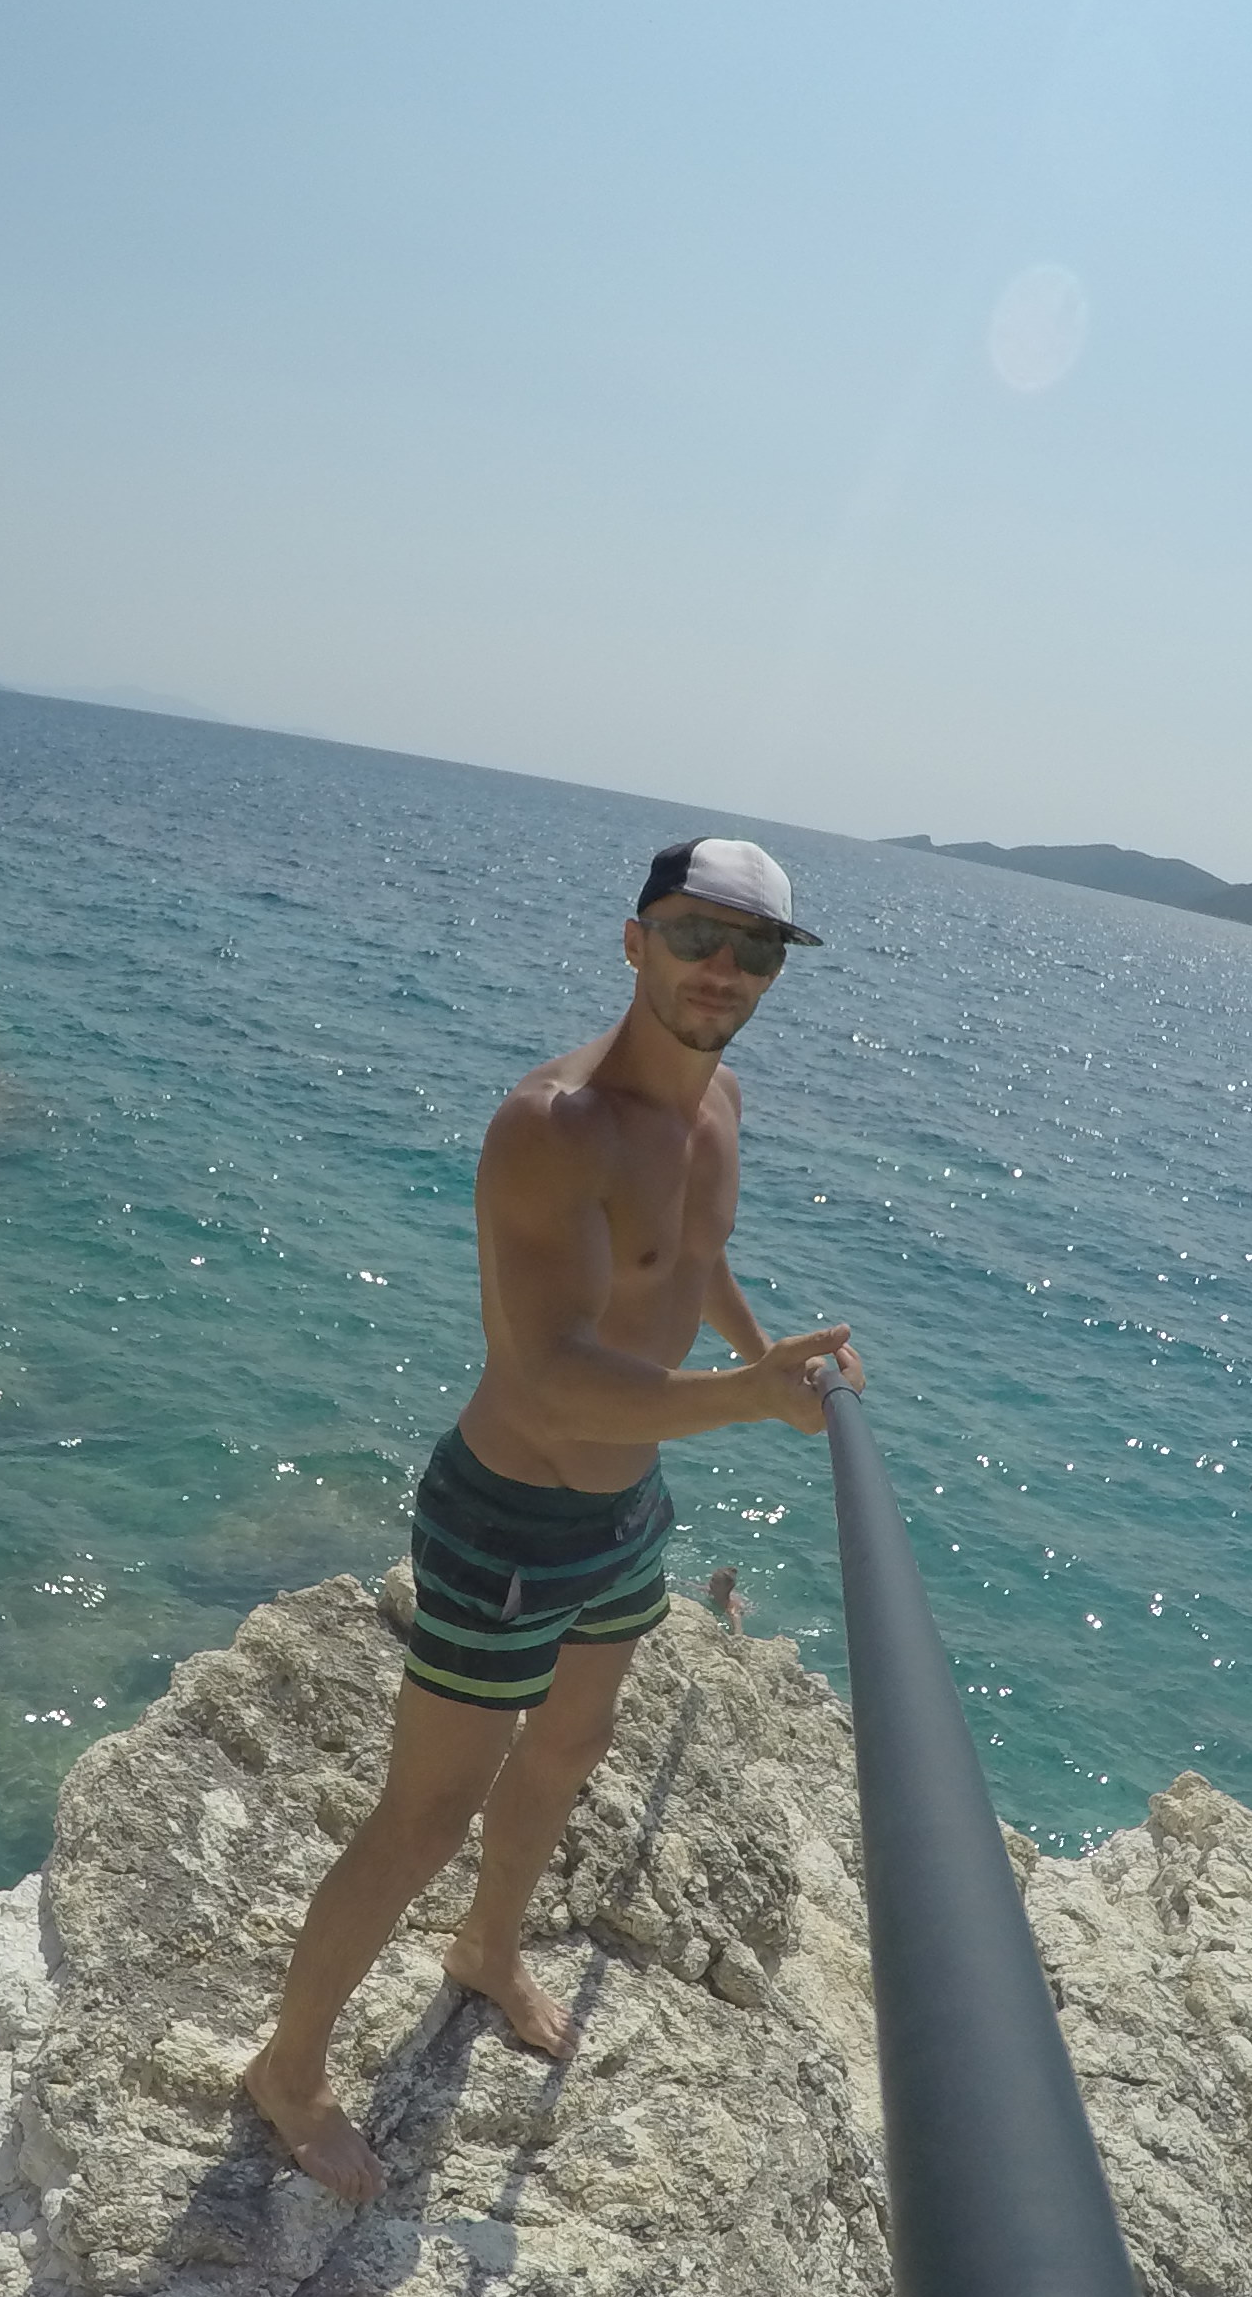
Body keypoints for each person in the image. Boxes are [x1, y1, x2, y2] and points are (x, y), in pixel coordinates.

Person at [243, 838, 863, 2204]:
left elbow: (689, 1259)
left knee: (572, 1745)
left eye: (756, 950)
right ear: (634, 941)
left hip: (626, 1508)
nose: (724, 968)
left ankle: (487, 1947)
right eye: (695, 935)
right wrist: (746, 1400)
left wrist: (769, 1360)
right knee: (425, 1812)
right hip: (510, 1522)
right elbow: (549, 1378)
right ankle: (287, 2072)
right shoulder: (552, 1126)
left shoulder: (720, 1106)